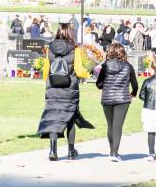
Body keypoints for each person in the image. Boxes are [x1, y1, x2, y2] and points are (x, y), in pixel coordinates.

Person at [37, 24, 93, 161]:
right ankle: (70, 151)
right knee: (70, 119)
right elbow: (79, 71)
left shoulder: (49, 48)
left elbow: (45, 72)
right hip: (69, 90)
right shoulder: (75, 49)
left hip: (53, 89)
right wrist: (89, 73)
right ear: (70, 33)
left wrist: (50, 83)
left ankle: (52, 151)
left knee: (53, 118)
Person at [95, 43, 138, 161]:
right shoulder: (128, 66)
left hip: (107, 98)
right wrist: (133, 93)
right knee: (117, 126)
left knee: (110, 126)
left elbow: (98, 84)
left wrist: (105, 84)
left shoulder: (105, 66)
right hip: (123, 99)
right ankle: (115, 153)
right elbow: (135, 84)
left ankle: (111, 150)